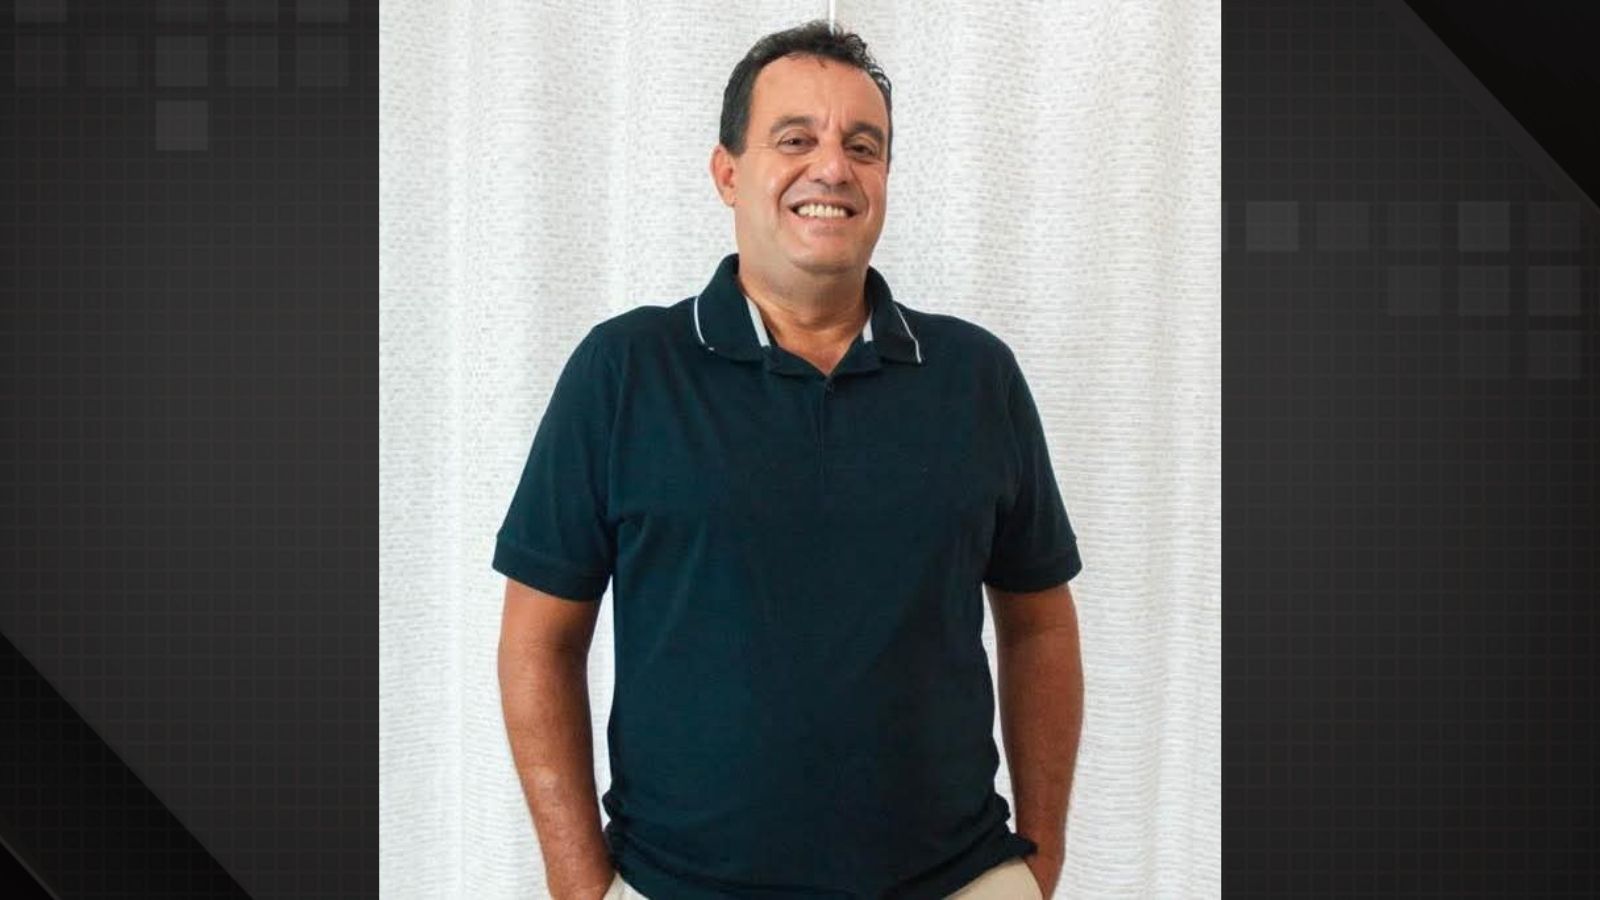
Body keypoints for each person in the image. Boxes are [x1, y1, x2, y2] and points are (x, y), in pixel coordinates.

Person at [494, 20, 1084, 900]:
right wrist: (580, 886)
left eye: (863, 146)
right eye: (796, 139)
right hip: (680, 885)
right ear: (728, 172)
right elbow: (537, 643)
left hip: (957, 879)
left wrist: (1040, 861)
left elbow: (1040, 624)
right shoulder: (625, 370)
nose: (833, 168)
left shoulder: (976, 375)